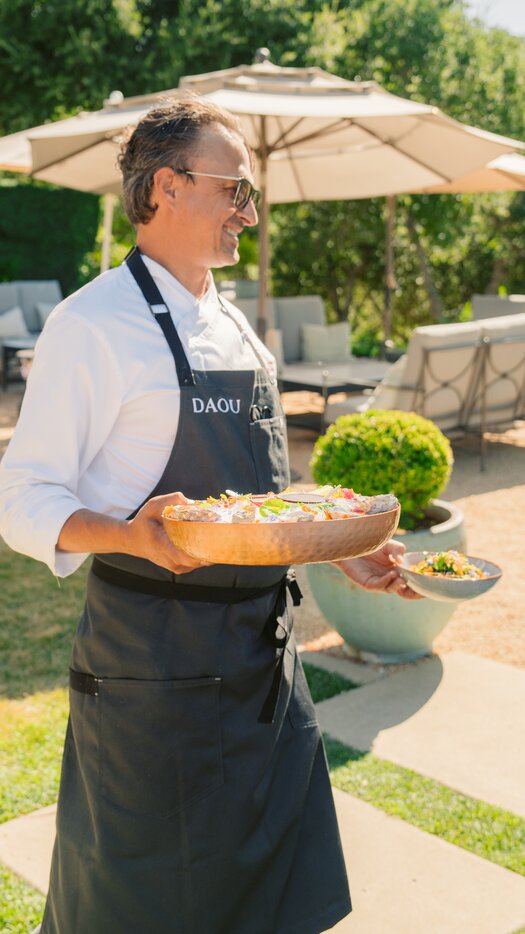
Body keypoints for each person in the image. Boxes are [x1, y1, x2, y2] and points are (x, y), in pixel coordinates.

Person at [0, 96, 418, 934]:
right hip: (155, 677)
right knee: (147, 906)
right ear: (166, 188)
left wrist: (332, 545)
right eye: (235, 190)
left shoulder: (235, 327)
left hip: (265, 668)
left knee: (271, 903)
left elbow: (253, 501)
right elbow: (21, 500)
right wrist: (126, 535)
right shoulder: (94, 324)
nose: (249, 212)